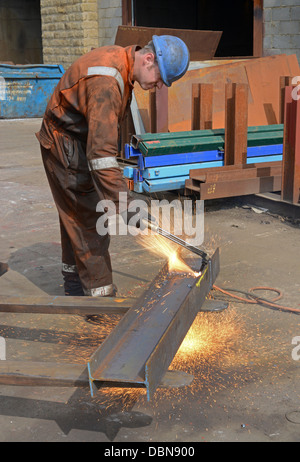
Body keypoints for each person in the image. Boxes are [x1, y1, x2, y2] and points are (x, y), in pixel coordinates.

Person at [36, 35, 190, 298]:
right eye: (160, 79)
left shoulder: (123, 63)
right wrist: (125, 204)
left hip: (74, 137)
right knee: (89, 218)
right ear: (149, 59)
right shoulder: (107, 81)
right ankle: (101, 300)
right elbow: (101, 155)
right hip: (65, 144)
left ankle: (74, 287)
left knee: (74, 213)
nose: (159, 86)